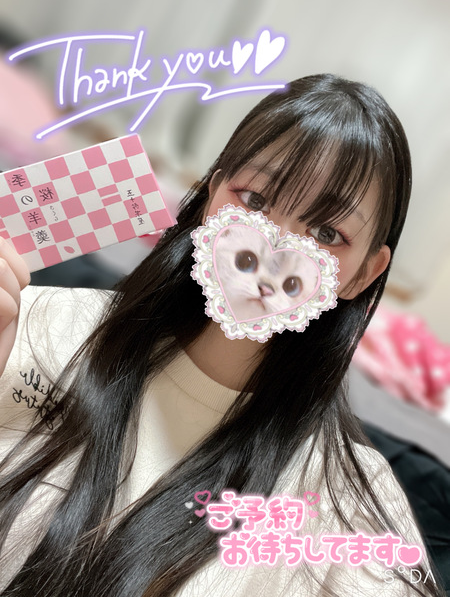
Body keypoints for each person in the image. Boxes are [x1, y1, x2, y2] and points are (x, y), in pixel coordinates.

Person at [0, 74, 445, 597]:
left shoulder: (355, 507)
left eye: (327, 233)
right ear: (212, 194)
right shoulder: (37, 325)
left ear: (364, 274)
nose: (276, 246)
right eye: (254, 199)